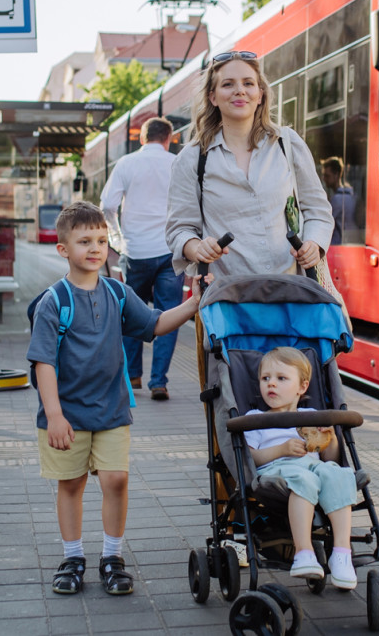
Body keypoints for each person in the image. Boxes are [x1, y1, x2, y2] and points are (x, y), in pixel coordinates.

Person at [26, 201, 207, 596]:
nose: (95, 248)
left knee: (116, 480)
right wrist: (54, 415)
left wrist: (193, 305)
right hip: (67, 415)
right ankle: (73, 557)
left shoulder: (118, 293)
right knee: (71, 484)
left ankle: (112, 557)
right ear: (63, 250)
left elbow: (155, 324)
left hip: (111, 410)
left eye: (102, 240)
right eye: (84, 241)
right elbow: (44, 363)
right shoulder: (53, 302)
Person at [166, 50, 333, 278]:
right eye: (228, 84)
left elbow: (317, 210)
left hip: (292, 293)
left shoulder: (287, 143)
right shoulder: (192, 158)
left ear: (260, 94)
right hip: (228, 298)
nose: (240, 90)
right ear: (213, 97)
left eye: (248, 83)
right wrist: (197, 248)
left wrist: (314, 244)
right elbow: (179, 230)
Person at [243, 347, 358, 589]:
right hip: (277, 471)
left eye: (281, 378)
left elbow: (331, 458)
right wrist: (281, 450)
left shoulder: (311, 415)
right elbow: (250, 458)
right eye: (266, 378)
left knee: (339, 474)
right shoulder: (255, 418)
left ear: (302, 387)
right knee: (303, 478)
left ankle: (341, 552)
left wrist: (332, 439)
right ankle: (303, 552)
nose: (271, 384)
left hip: (314, 467)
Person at [100, 117, 184, 401]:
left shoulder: (126, 164)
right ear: (169, 138)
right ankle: (158, 381)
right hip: (170, 252)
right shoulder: (177, 163)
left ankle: (132, 375)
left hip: (135, 252)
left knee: (132, 313)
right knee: (168, 314)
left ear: (141, 138)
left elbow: (108, 205)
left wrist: (117, 238)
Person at [321, 157, 356, 245]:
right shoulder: (349, 195)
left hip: (337, 244)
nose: (324, 179)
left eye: (327, 176)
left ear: (336, 175)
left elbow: (325, 222)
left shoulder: (337, 199)